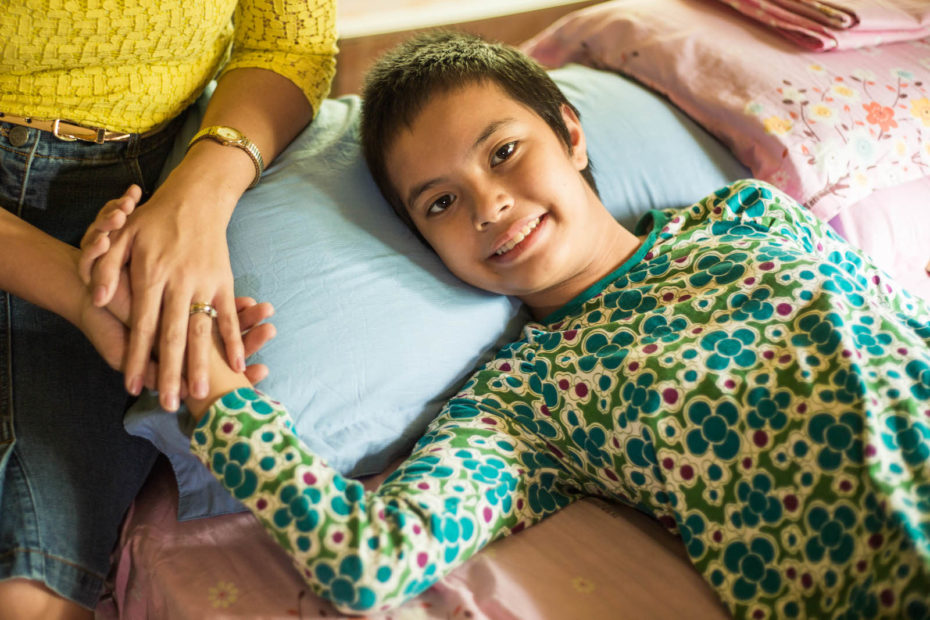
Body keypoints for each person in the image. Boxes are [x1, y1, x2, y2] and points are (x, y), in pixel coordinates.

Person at [87, 32, 930, 618]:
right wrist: (210, 384)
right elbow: (368, 557)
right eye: (441, 203)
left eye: (503, 152)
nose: (489, 206)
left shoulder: (750, 215)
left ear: (570, 131)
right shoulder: (524, 401)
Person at [0, 2, 336, 618]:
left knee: (31, 596)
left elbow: (291, 45)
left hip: (137, 184)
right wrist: (90, 298)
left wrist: (196, 201)